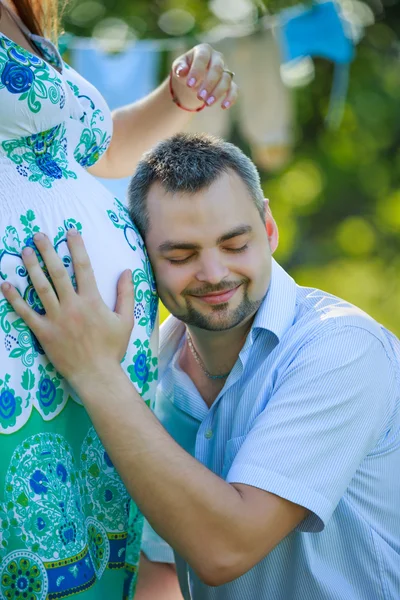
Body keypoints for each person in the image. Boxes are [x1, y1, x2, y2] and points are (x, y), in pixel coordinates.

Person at [2, 133, 400, 600]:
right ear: (144, 258)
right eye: (181, 255)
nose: (213, 273)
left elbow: (224, 548)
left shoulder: (342, 349)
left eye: (235, 245)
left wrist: (96, 374)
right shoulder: (154, 370)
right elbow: (160, 570)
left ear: (268, 229)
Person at [0, 0, 238, 596]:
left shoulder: (24, 20)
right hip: (20, 352)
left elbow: (100, 152)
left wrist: (177, 97)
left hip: (95, 357)